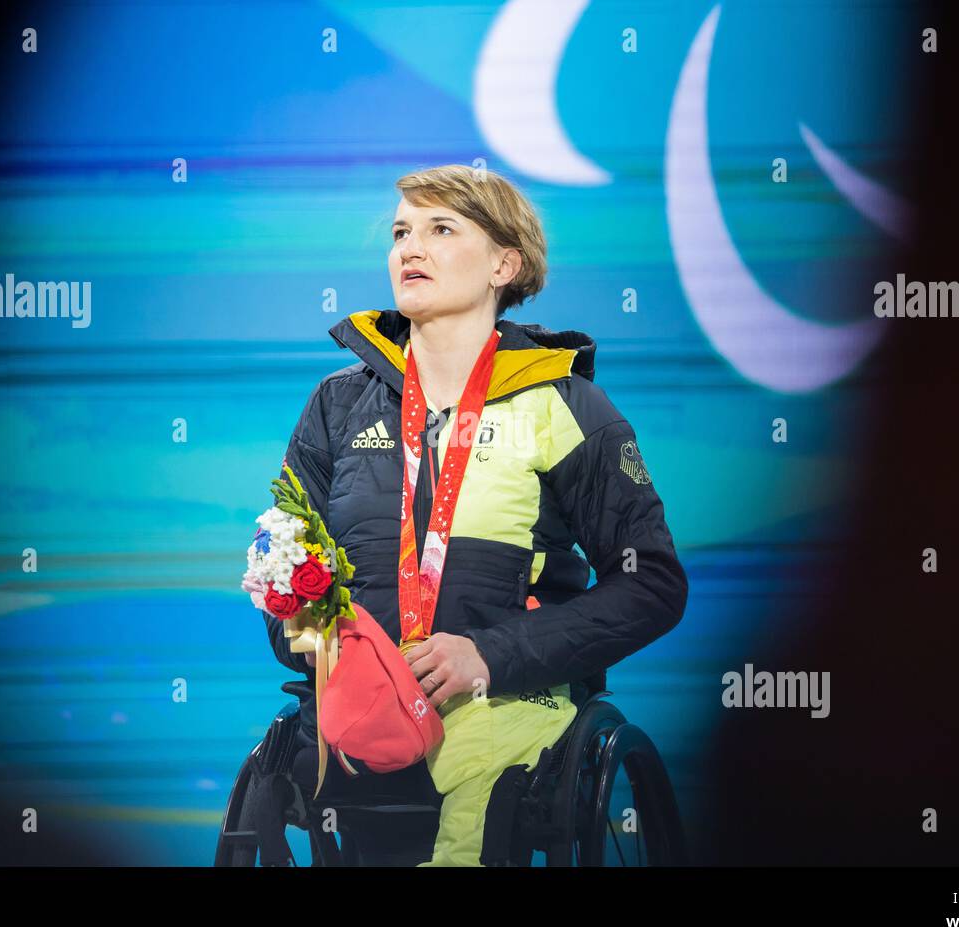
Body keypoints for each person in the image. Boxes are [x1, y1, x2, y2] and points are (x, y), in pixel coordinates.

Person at [256, 163, 687, 865]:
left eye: (440, 229)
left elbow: (652, 585)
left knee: (481, 790)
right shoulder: (336, 406)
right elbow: (283, 575)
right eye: (401, 232)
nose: (409, 248)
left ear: (503, 264)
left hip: (506, 706)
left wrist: (490, 656)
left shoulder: (564, 405)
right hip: (361, 715)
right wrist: (322, 643)